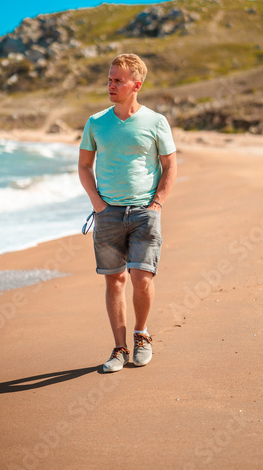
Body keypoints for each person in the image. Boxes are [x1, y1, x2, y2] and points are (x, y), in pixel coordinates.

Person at [78, 53, 177, 373]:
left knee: (142, 277)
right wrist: (97, 203)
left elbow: (170, 165)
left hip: (144, 212)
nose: (111, 84)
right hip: (107, 214)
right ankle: (119, 348)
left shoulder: (156, 122)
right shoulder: (96, 122)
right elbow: (83, 166)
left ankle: (141, 335)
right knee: (115, 281)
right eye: (109, 79)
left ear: (136, 85)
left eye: (117, 80)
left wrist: (157, 202)